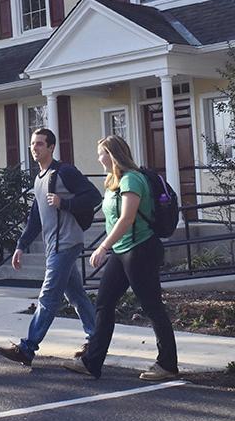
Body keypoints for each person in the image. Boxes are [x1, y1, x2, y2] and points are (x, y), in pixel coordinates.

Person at [63, 134, 178, 381]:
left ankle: (167, 364)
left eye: (102, 152)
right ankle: (91, 361)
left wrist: (103, 247)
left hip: (141, 249)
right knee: (104, 304)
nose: (98, 158)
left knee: (152, 306)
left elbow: (127, 218)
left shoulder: (132, 180)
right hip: (122, 250)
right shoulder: (113, 181)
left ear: (113, 155)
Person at [0, 128, 101, 367]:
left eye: (40, 144)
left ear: (51, 147)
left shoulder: (65, 172)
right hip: (53, 245)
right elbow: (35, 217)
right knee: (75, 295)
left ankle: (27, 348)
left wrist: (65, 203)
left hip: (67, 242)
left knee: (48, 297)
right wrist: (21, 245)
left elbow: (94, 197)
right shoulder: (39, 178)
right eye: (33, 144)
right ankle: (96, 339)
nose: (35, 148)